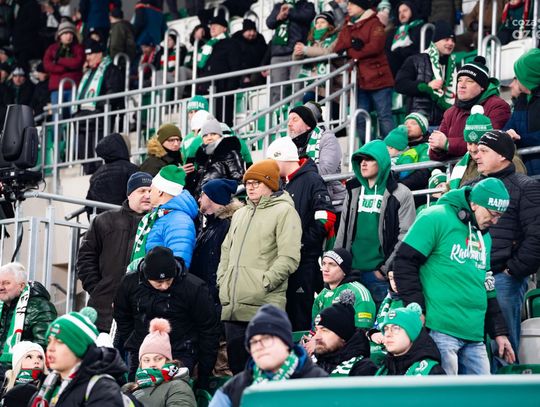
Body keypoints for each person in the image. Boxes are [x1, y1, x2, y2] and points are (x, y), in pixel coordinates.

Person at [393, 178, 515, 374]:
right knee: (445, 392)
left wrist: (499, 332)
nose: (495, 221)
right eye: (493, 214)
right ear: (474, 204)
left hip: (475, 334)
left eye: (499, 216)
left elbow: (487, 284)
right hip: (440, 329)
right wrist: (417, 308)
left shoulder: (485, 236)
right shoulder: (435, 217)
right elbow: (403, 263)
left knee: (483, 392)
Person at [217, 159, 302, 374]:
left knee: (265, 371)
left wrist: (263, 283)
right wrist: (223, 281)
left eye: (257, 182)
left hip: (264, 307)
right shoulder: (240, 214)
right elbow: (226, 250)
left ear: (271, 184)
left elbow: (289, 257)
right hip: (233, 307)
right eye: (248, 183)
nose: (251, 187)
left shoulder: (284, 212)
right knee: (239, 373)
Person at [473, 130, 540, 357]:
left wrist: (513, 270)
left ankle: (505, 379)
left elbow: (536, 236)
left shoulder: (526, 187)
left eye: (484, 151)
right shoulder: (471, 188)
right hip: (470, 275)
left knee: (502, 348)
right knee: (473, 344)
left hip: (503, 278)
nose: (476, 155)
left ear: (502, 155)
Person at [114, 246, 220, 383]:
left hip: (181, 352)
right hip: (142, 352)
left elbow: (208, 328)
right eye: (159, 282)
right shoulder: (130, 284)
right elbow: (122, 315)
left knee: (174, 389)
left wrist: (204, 374)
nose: (164, 286)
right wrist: (134, 339)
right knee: (140, 391)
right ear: (147, 276)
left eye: (169, 280)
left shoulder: (194, 287)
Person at [334, 140, 415, 306]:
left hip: (378, 275)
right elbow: (343, 230)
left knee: (378, 320)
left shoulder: (400, 193)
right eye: (360, 159)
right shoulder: (353, 190)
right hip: (351, 272)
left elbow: (406, 235)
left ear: (382, 162)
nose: (363, 163)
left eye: (369, 159)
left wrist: (384, 270)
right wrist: (338, 264)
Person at [267, 136, 335, 330]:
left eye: (272, 161)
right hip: (285, 262)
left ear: (282, 158)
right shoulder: (282, 184)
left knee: (300, 316)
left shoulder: (311, 179)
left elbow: (326, 217)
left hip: (305, 262)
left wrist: (301, 243)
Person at [209, 304, 327, 407]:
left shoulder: (318, 382)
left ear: (286, 342)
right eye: (253, 342)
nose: (259, 346)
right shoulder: (234, 388)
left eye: (266, 339)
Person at [77, 172, 153, 332]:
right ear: (129, 194)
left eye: (150, 191)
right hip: (103, 310)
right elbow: (86, 258)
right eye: (142, 191)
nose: (147, 195)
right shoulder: (104, 220)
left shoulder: (158, 223)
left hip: (140, 312)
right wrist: (97, 289)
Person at [29, 307, 127, 406]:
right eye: (49, 341)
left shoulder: (102, 389)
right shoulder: (49, 383)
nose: (50, 348)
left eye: (60, 342)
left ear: (78, 347)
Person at [428, 56, 511, 161]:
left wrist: (448, 144)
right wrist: (436, 148)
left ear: (482, 87)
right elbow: (434, 152)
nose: (462, 85)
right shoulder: (450, 112)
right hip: (456, 170)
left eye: (469, 81)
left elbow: (488, 142)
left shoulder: (497, 106)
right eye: (459, 80)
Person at [334, 0, 394, 140]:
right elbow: (339, 47)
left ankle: (392, 149)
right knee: (359, 119)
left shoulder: (374, 22)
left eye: (352, 4)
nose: (348, 7)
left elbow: (375, 47)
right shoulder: (348, 24)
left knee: (384, 116)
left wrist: (352, 51)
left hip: (379, 78)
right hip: (360, 81)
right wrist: (354, 46)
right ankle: (370, 149)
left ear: (361, 6)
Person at [128, 165, 198, 271]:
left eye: (151, 190)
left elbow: (178, 265)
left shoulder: (178, 221)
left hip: (157, 280)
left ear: (160, 191)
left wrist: (143, 267)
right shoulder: (160, 216)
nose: (148, 195)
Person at [190, 179, 243, 308]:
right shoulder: (211, 225)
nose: (199, 199)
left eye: (202, 195)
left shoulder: (227, 226)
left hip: (216, 299)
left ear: (211, 197)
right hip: (206, 296)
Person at [74, 39, 124, 174]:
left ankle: (99, 170)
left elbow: (114, 91)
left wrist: (98, 106)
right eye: (87, 55)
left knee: (98, 147)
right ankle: (88, 169)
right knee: (84, 149)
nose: (88, 58)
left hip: (101, 115)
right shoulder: (88, 73)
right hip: (84, 117)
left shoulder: (111, 70)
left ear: (100, 54)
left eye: (90, 54)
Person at [395, 20, 456, 126]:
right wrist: (426, 86)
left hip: (443, 125)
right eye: (446, 39)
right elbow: (400, 84)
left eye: (453, 40)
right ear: (436, 41)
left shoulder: (453, 66)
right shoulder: (415, 60)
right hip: (418, 124)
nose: (450, 43)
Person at [123, 318, 196, 407]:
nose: (152, 364)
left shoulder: (178, 387)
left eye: (158, 359)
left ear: (168, 361)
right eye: (146, 360)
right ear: (141, 364)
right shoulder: (129, 388)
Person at [449, 106, 526, 190]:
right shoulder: (462, 165)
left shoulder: (508, 161)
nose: (473, 149)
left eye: (477, 143)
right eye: (469, 143)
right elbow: (450, 189)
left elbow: (516, 189)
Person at [287, 104, 345, 213]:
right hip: (302, 202)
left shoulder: (327, 139)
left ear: (308, 125)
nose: (289, 124)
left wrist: (296, 169)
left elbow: (326, 170)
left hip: (330, 202)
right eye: (289, 120)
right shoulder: (289, 145)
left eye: (295, 119)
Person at [0, 263, 57, 364]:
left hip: (22, 369)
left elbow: (44, 344)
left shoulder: (40, 306)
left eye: (6, 283)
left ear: (21, 286)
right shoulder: (3, 305)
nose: (1, 287)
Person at [311, 249, 376, 332]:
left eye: (332, 265)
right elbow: (315, 328)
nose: (325, 269)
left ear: (344, 270)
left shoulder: (358, 292)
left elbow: (363, 330)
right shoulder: (322, 294)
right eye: (324, 263)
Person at [313, 296, 378, 376]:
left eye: (324, 330)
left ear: (343, 335)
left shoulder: (363, 369)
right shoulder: (312, 364)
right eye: (316, 330)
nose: (316, 337)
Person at [265, 0, 315, 105]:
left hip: (297, 52)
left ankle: (297, 110)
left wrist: (289, 12)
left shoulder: (306, 5)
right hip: (278, 53)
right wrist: (278, 17)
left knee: (298, 86)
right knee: (277, 88)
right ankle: (277, 112)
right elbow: (269, 23)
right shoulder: (279, 6)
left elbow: (307, 17)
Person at [376, 303, 446, 375]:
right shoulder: (383, 367)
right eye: (386, 329)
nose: (388, 334)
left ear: (412, 333)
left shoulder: (432, 372)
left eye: (395, 328)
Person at [196, 15, 240, 126]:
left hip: (222, 88)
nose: (212, 28)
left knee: (222, 121)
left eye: (216, 25)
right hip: (206, 88)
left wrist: (230, 87)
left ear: (224, 28)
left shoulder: (230, 43)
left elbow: (235, 65)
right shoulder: (208, 45)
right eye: (211, 26)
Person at [504, 48, 540, 175]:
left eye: (518, 76)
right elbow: (508, 127)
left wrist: (518, 139)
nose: (514, 82)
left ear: (528, 78)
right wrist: (507, 134)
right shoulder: (522, 101)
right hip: (526, 173)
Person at [189, 118, 244, 198]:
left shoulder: (229, 152)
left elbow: (239, 181)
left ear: (220, 135)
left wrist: (222, 197)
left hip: (221, 202)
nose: (209, 138)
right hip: (202, 201)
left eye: (213, 134)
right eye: (205, 135)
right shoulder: (202, 156)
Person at [85, 133, 139, 214]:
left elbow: (89, 204)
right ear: (122, 148)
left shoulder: (96, 175)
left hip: (103, 219)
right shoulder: (131, 169)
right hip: (126, 218)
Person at [43, 21, 85, 107]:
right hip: (56, 88)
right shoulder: (52, 48)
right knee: (57, 114)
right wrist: (63, 68)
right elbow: (47, 65)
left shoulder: (78, 48)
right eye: (65, 33)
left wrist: (59, 60)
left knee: (72, 113)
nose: (69, 36)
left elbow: (77, 62)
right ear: (60, 35)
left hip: (73, 87)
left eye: (71, 33)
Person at [385, 1, 424, 77]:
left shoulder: (421, 28)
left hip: (416, 70)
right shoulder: (393, 33)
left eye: (405, 11)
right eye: (399, 12)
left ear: (412, 10)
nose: (402, 14)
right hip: (397, 72)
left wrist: (404, 51)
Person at [232, 19, 268, 88]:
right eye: (249, 30)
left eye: (254, 31)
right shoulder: (236, 40)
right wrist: (244, 76)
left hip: (258, 71)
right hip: (241, 72)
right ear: (244, 31)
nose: (252, 33)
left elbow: (265, 54)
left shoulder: (260, 39)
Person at [12, 0, 42, 71]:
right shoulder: (18, 6)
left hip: (28, 45)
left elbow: (33, 23)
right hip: (19, 44)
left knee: (24, 67)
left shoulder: (32, 5)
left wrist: (19, 29)